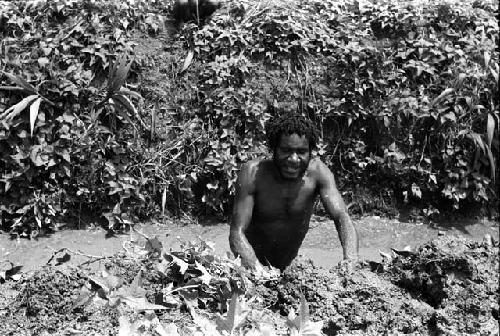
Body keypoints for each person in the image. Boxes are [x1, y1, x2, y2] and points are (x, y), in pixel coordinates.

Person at [229, 112, 359, 270]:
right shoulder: (253, 173)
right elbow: (237, 233)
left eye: (301, 152)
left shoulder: (318, 173)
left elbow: (342, 217)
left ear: (310, 152)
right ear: (274, 149)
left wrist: (351, 259)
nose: (294, 159)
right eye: (286, 150)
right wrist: (258, 271)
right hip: (251, 266)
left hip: (288, 270)